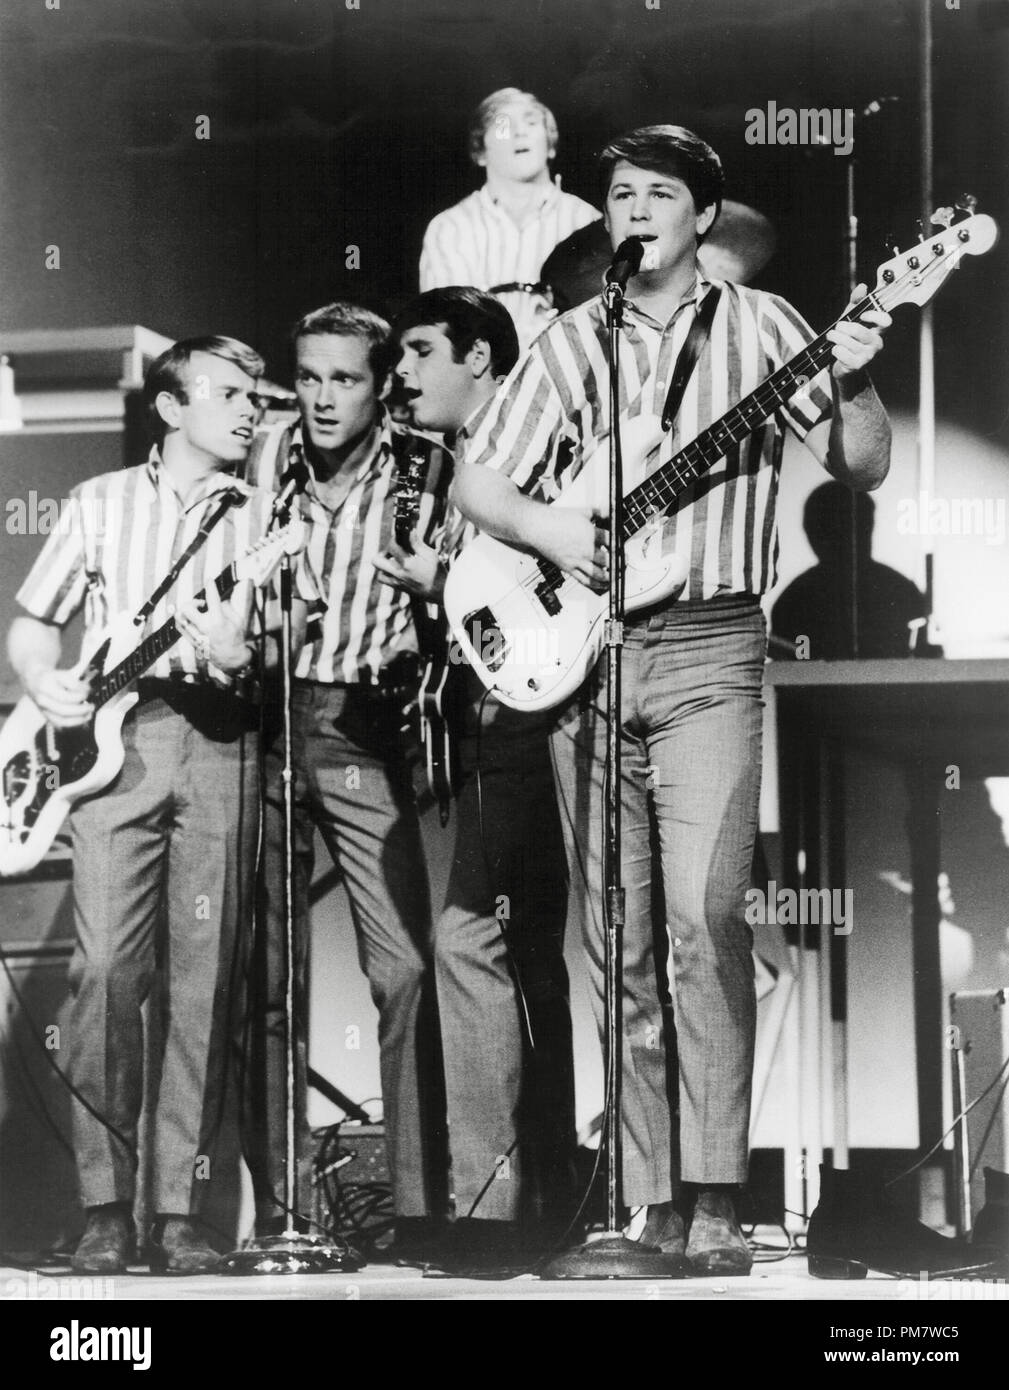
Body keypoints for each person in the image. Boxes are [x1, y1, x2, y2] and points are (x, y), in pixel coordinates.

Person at [452, 125, 893, 1275]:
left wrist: (854, 367)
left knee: (705, 919)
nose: (632, 208)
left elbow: (862, 462)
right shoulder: (569, 334)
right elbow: (479, 478)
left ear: (703, 216)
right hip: (590, 649)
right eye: (617, 194)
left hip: (709, 643)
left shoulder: (768, 326)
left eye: (656, 193)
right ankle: (644, 1198)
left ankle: (714, 1193)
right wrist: (557, 532)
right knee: (618, 936)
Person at [8, 336, 283, 1273]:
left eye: (257, 396)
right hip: (107, 754)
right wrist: (42, 684)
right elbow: (35, 624)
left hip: (220, 740)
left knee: (203, 982)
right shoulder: (97, 503)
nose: (250, 411)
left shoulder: (267, 518)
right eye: (231, 394)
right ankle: (104, 1202)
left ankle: (181, 1211)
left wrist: (242, 652)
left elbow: (285, 649)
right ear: (171, 406)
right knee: (104, 974)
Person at [375, 287, 576, 1272]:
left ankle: (503, 1205)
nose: (401, 371)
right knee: (504, 951)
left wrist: (440, 584)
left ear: (482, 359)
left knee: (477, 943)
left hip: (530, 723)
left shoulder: (525, 449)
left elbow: (552, 573)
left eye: (419, 350)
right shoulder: (433, 463)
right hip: (467, 726)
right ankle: (529, 1196)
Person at [242, 301, 449, 1259]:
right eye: (309, 377)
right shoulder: (268, 458)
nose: (322, 399)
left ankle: (419, 1206)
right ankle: (280, 1214)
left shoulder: (423, 465)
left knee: (403, 966)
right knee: (268, 976)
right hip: (265, 722)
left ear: (379, 385)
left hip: (364, 726)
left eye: (344, 379)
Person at [419, 87, 598, 352]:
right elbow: (445, 332)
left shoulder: (587, 222)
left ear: (549, 144)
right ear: (480, 151)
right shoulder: (450, 230)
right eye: (503, 124)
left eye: (531, 122)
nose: (519, 132)